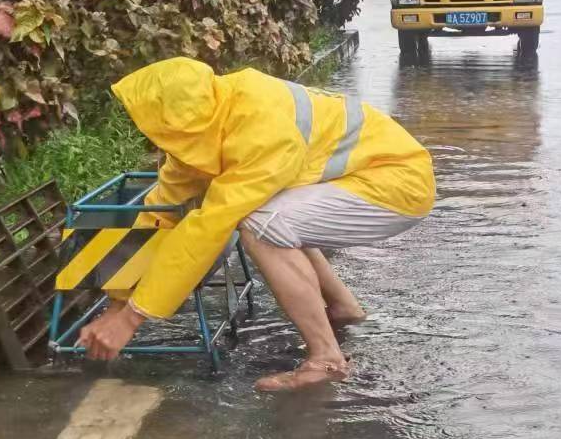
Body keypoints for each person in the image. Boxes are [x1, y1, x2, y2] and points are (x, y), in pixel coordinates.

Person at [76, 57, 436, 391]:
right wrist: (117, 305)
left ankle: (327, 360)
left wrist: (131, 321)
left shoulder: (258, 128)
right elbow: (160, 214)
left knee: (262, 222)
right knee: (275, 214)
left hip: (394, 184)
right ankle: (343, 307)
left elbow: (208, 227)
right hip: (363, 176)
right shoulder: (211, 117)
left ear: (176, 121)